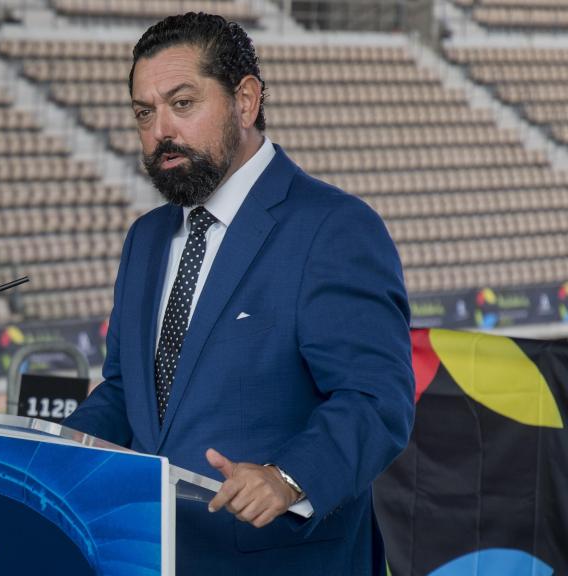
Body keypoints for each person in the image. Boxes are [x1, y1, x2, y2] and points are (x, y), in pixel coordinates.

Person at [62, 13, 415, 575]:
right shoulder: (147, 238)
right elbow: (128, 389)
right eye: (144, 112)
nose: (160, 131)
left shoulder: (334, 227)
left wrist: (286, 477)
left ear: (245, 100)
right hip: (150, 555)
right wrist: (59, 448)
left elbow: (377, 399)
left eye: (182, 103)